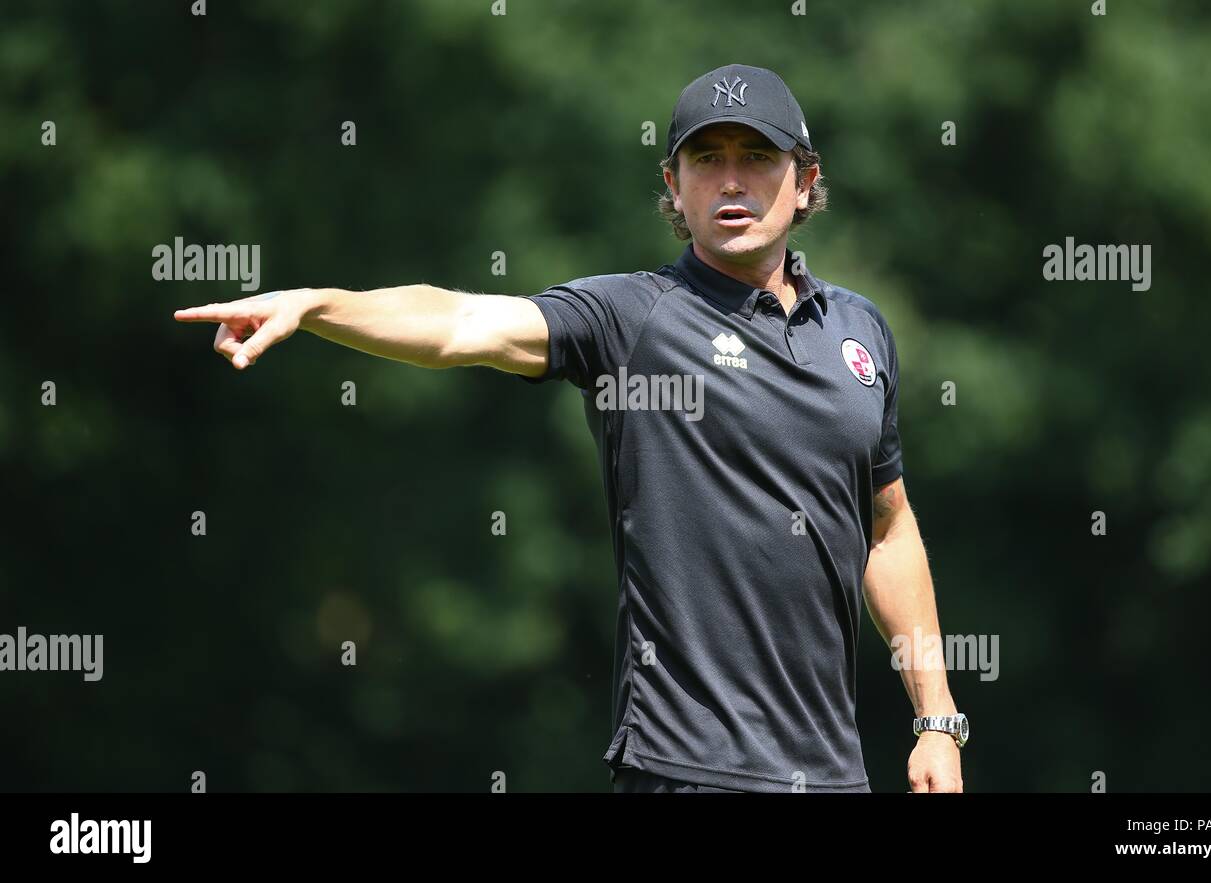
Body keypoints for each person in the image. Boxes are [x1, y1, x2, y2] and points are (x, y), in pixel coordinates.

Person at [174, 63, 967, 794]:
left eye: (758, 157)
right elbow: (456, 322)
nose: (731, 179)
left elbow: (889, 532)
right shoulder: (633, 319)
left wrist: (935, 720)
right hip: (685, 765)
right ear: (674, 185)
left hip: (832, 773)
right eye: (706, 159)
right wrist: (318, 305)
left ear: (806, 181)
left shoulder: (859, 334)